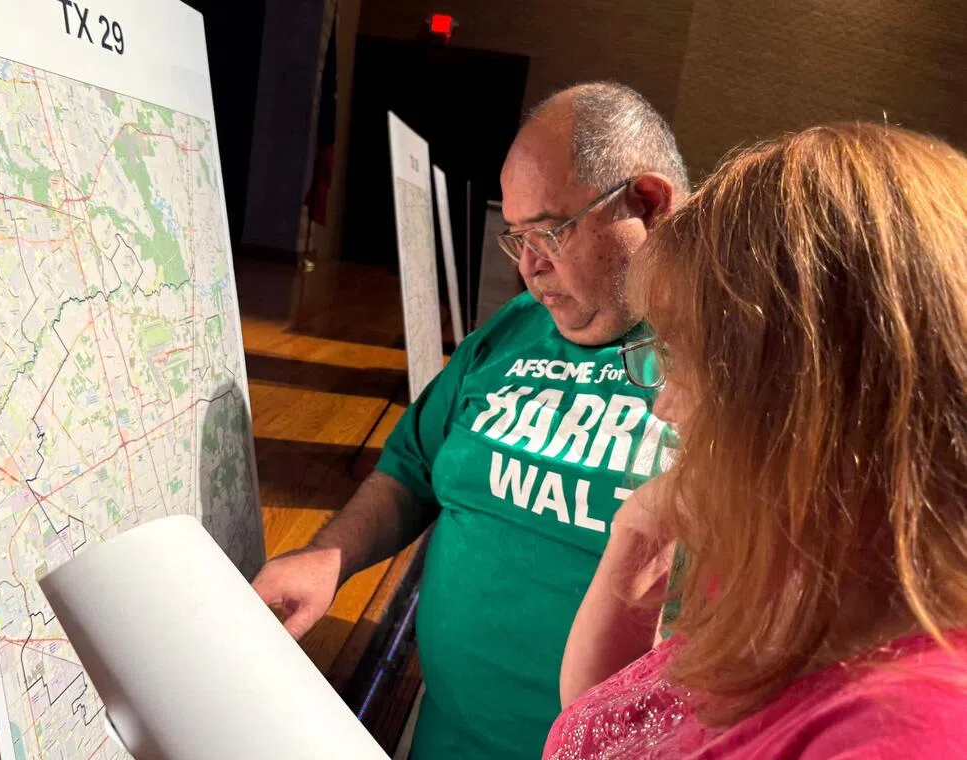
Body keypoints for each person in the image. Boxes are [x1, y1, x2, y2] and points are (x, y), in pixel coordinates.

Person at [251, 82, 688, 759]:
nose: (531, 267)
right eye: (517, 238)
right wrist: (328, 559)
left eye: (550, 231)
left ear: (650, 204)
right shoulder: (513, 328)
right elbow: (411, 468)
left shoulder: (725, 371)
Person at [546, 123, 967, 759]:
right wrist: (636, 534)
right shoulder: (803, 559)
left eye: (682, 355)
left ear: (813, 393)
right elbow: (605, 727)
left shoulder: (905, 731)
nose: (665, 404)